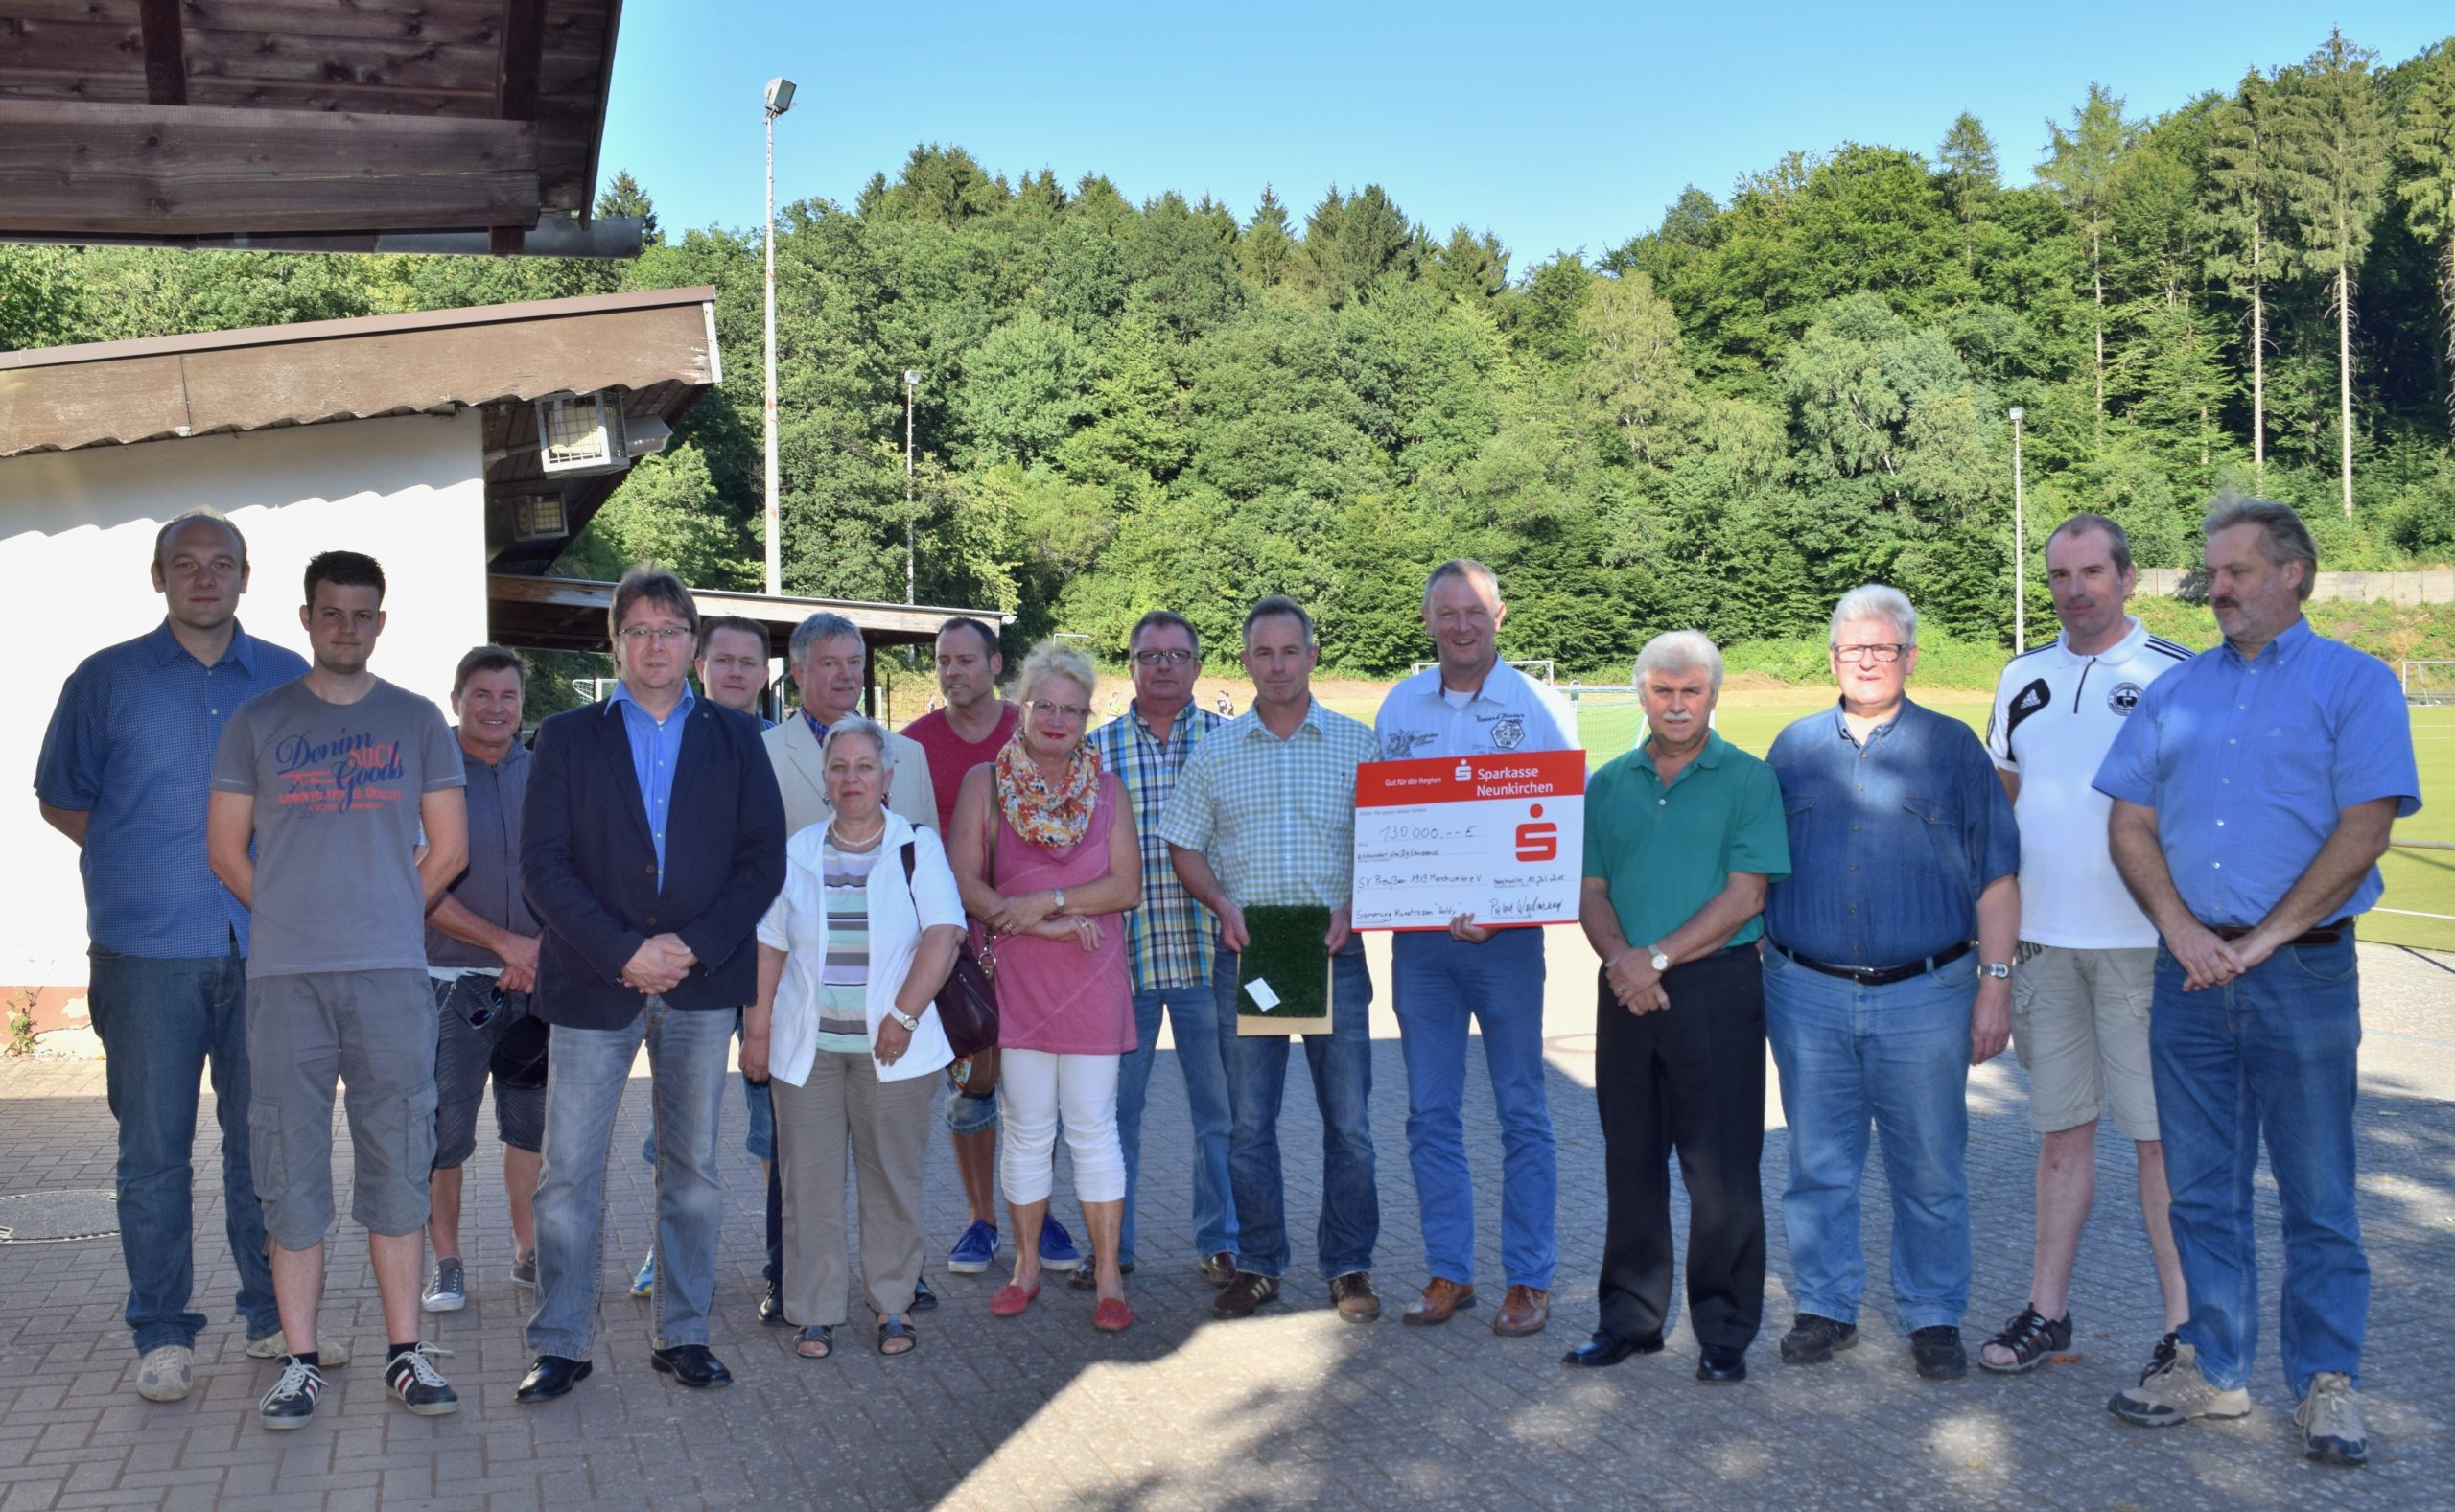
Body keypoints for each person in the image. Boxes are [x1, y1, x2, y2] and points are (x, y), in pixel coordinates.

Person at [2100, 497, 2420, 1466]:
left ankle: (2326, 1380)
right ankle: (2214, 1365)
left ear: (2294, 573)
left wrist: (2266, 937)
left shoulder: (2355, 683)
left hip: (2303, 973)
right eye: (2211, 570)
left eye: (2236, 569)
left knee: (2318, 1189)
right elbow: (2127, 823)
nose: (2217, 587)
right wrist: (2183, 929)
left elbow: (2365, 825)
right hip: (2189, 972)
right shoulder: (2172, 691)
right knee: (2200, 1187)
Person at [35, 511, 308, 1403]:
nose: (204, 578)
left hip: (262, 951)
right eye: (184, 565)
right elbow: (64, 797)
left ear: (245, 576)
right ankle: (162, 1331)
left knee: (259, 1145)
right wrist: (131, 853)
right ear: (158, 578)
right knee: (153, 1152)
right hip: (145, 948)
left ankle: (271, 1318)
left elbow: (311, 808)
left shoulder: (287, 679)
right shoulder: (106, 680)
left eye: (220, 564)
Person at [204, 550, 469, 1428]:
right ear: (307, 617)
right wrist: (291, 915)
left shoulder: (418, 719)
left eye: (362, 614)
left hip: (391, 975)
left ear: (380, 623)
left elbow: (450, 848)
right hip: (284, 978)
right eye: (330, 613)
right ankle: (300, 1359)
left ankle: (406, 1352)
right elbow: (226, 849)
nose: (345, 628)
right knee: (288, 1162)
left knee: (398, 1151)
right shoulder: (258, 720)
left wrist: (391, 912)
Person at [515, 566, 785, 1405]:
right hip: (596, 983)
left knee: (693, 1170)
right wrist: (625, 951)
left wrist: (693, 949)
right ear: (615, 643)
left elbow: (760, 862)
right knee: (568, 1173)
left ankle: (686, 1333)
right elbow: (543, 869)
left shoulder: (738, 736)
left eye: (671, 629)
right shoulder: (565, 736)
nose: (656, 644)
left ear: (693, 645)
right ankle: (560, 1342)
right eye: (639, 630)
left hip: (702, 988)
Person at [1760, 584, 2018, 1383]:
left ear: (1909, 655)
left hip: (1928, 991)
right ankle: (1827, 1304)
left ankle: (1934, 1313)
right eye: (1852, 648)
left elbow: (2000, 879)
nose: (1866, 661)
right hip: (1807, 989)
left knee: (1931, 1166)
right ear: (1831, 657)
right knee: (1818, 1165)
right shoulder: (1792, 748)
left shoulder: (1952, 749)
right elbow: (1752, 875)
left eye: (1883, 648)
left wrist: (1996, 983)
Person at [1977, 516, 2191, 1378]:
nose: (2075, 589)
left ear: (2128, 577)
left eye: (2092, 571)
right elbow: (2005, 806)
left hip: (2145, 949)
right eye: (2060, 574)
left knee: (2159, 1142)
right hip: (2043, 948)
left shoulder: (2177, 675)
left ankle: (2186, 1328)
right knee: (2062, 1134)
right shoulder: (2020, 676)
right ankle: (2048, 1311)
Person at [1570, 632, 1789, 1381]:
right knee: (1630, 1161)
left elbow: (1746, 895)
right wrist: (1623, 965)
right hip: (1624, 987)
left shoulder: (1749, 779)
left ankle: (1724, 1331)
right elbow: (1590, 891)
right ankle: (1629, 1319)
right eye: (1662, 690)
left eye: (1690, 690)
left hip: (1715, 988)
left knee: (1721, 1168)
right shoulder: (1607, 783)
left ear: (1713, 696)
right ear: (1640, 695)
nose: (1676, 703)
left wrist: (1653, 959)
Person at [1160, 595, 1383, 1325]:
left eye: (1291, 651)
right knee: (1249, 1123)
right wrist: (1222, 905)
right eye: (1264, 653)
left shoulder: (1360, 745)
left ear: (1313, 654)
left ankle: (1348, 1265)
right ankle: (1259, 1263)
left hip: (1333, 954)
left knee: (1348, 1123)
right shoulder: (1217, 751)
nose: (1279, 665)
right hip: (1249, 952)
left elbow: (1389, 846)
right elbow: (1183, 843)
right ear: (1246, 660)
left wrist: (1358, 907)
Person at [1371, 559, 1577, 1335]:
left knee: (1523, 1109)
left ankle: (1528, 1278)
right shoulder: (1399, 707)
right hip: (1421, 945)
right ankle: (1449, 1271)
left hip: (1507, 942)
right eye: (1446, 611)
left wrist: (1502, 906)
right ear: (1427, 620)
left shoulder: (1541, 706)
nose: (1461, 624)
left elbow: (1557, 826)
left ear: (1499, 616)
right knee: (1429, 1112)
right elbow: (1387, 826)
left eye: (1474, 611)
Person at [745, 718, 964, 1361]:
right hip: (805, 1050)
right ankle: (814, 1310)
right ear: (824, 778)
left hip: (894, 1049)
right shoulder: (799, 849)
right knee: (807, 1184)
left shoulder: (915, 847)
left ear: (888, 775)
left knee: (891, 1180)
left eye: (864, 766)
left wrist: (902, 1016)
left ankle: (892, 1303)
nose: (851, 778)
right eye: (838, 766)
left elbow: (944, 934)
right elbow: (769, 943)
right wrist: (755, 1031)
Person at [949, 640, 1141, 1330]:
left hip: (1091, 978)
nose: (1057, 719)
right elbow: (964, 881)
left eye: (1072, 708)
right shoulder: (985, 783)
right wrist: (1036, 923)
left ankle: (1110, 1274)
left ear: (1088, 717)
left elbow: (1127, 886)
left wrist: (1051, 904)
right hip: (1018, 980)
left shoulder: (1109, 788)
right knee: (1027, 1128)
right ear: (1021, 707)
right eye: (1044, 705)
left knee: (1093, 1128)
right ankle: (1026, 1266)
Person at [624, 615, 785, 1322]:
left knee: (769, 1123)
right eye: (723, 659)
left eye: (749, 662)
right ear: (698, 662)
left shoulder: (780, 749)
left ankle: (785, 1257)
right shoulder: (669, 740)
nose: (735, 672)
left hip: (763, 966)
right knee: (678, 1127)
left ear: (765, 673)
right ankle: (670, 1249)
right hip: (685, 971)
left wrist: (766, 995)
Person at [1086, 611, 1237, 1290]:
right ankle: (1113, 1245)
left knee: (1222, 1114)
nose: (1165, 667)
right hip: (1125, 964)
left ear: (1199, 666)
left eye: (1178, 655)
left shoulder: (1235, 745)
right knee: (1114, 1116)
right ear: (1132, 667)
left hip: (1213, 958)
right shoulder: (1095, 752)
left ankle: (1222, 1242)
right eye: (1150, 656)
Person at [900, 616, 1042, 1280]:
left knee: (1037, 1087)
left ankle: (1034, 1213)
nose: (953, 672)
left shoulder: (1033, 726)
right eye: (942, 661)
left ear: (995, 662)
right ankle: (982, 1219)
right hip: (953, 949)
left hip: (1031, 936)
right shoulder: (910, 748)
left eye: (965, 660)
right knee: (970, 1090)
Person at [421, 646, 548, 1314]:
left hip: (535, 983)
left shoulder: (546, 772)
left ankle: (529, 1251)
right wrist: (505, 943)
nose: (495, 708)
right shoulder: (430, 772)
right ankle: (446, 1262)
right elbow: (418, 885)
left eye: (508, 695)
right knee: (445, 1131)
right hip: (450, 980)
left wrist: (538, 949)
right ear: (456, 698)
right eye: (481, 694)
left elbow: (570, 875)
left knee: (530, 1125)